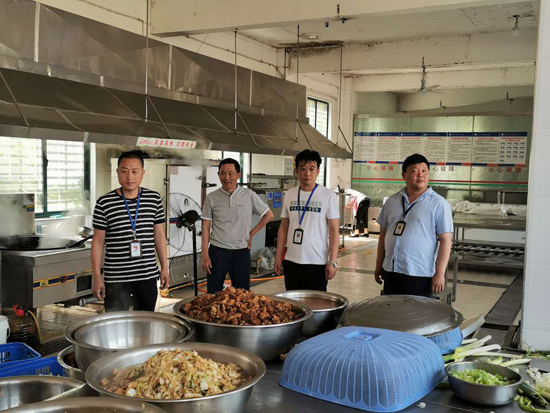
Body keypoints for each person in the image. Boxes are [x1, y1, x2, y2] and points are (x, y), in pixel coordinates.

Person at [92, 151, 169, 312]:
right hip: (116, 278)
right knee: (117, 323)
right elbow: (98, 241)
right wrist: (97, 276)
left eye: (135, 171)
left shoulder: (154, 199)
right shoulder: (104, 203)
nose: (129, 177)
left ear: (142, 173)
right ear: (117, 172)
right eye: (124, 171)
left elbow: (159, 235)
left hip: (147, 275)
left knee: (145, 321)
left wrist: (164, 267)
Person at [374, 153, 453, 297]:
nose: (420, 175)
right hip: (391, 270)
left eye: (424, 171)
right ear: (404, 176)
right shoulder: (392, 201)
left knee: (416, 311)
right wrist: (379, 264)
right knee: (391, 309)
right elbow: (383, 235)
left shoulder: (439, 204)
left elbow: (446, 240)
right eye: (414, 171)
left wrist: (440, 272)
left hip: (419, 274)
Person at [201, 158, 274, 293]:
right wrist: (205, 255)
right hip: (217, 252)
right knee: (213, 294)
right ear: (218, 175)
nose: (226, 177)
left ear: (238, 175)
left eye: (231, 173)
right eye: (223, 173)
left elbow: (269, 215)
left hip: (241, 252)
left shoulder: (249, 195)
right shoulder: (211, 197)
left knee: (242, 294)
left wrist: (251, 233)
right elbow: (206, 226)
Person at [275, 150, 340, 291]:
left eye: (312, 169)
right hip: (292, 260)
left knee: (316, 302)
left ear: (318, 171)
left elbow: (334, 231)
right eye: (303, 169)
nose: (307, 173)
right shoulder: (289, 194)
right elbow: (284, 227)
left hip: (317, 262)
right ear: (296, 171)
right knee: (292, 302)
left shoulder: (328, 196)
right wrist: (278, 256)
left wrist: (333, 261)